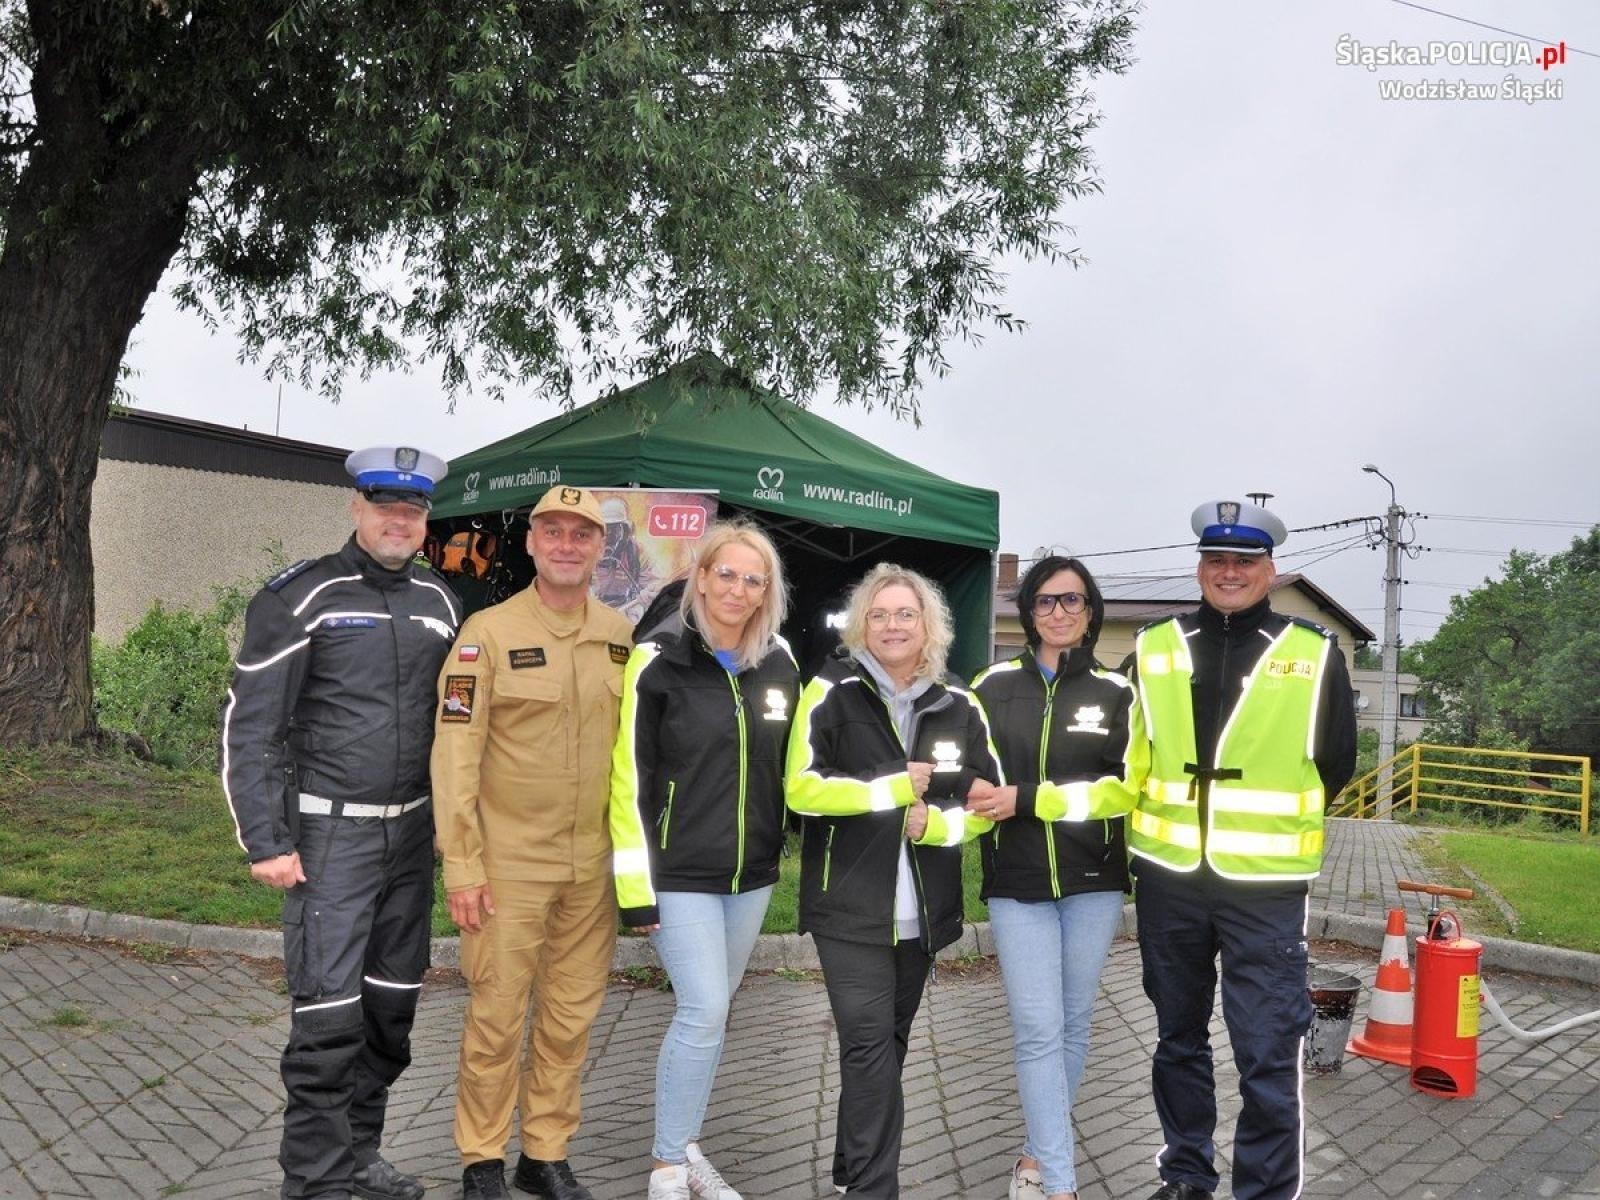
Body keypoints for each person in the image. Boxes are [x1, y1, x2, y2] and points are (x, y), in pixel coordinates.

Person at [222, 445, 458, 1200]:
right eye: (385, 504)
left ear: (425, 520)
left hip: (412, 840)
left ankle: (359, 1155)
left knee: (390, 1013)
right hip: (331, 842)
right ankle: (316, 1180)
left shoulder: (441, 603)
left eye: (413, 508)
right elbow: (250, 724)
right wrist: (266, 838)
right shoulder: (301, 596)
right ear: (356, 508)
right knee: (328, 1021)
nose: (399, 519)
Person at [1129, 500, 1357, 1200]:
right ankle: (1187, 1174)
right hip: (1170, 878)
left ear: (1271, 570)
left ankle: (1262, 1191)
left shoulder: (1313, 652)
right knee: (1178, 1039)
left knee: (1266, 1049)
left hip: (1265, 885)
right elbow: (1134, 753)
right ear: (1200, 567)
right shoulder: (1155, 645)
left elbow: (1336, 762)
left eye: (1244, 561)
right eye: (1217, 560)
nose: (1229, 572)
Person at [430, 484, 635, 1200]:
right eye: (554, 532)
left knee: (571, 1015)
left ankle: (544, 1151)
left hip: (593, 866)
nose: (567, 545)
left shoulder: (619, 636)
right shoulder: (486, 634)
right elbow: (455, 756)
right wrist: (462, 864)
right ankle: (481, 1158)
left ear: (600, 547)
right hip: (508, 863)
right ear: (532, 542)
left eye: (582, 534)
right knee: (496, 1013)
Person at [785, 563, 1002, 1198]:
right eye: (879, 615)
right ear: (862, 625)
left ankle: (853, 1164)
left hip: (922, 914)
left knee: (889, 1044)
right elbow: (799, 790)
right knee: (868, 1044)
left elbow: (986, 807)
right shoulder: (829, 690)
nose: (892, 625)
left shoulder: (960, 703)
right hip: (847, 906)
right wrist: (886, 790)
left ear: (927, 624)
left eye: (905, 613)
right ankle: (875, 1187)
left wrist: (934, 825)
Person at [608, 522, 801, 1200]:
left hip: (749, 876)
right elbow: (627, 779)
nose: (738, 589)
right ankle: (667, 1164)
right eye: (727, 574)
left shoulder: (780, 661)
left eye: (754, 579)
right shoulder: (657, 659)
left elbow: (794, 767)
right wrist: (634, 888)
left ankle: (687, 1148)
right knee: (704, 1007)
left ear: (766, 591)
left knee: (715, 1014)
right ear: (701, 577)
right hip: (678, 871)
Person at [969, 556, 1148, 1200]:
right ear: (1028, 613)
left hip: (1094, 881)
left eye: (1072, 601)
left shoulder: (1117, 693)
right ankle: (1062, 1183)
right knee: (1039, 1026)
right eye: (1046, 602)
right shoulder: (988, 687)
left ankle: (1036, 1158)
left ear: (1091, 610)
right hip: (1017, 883)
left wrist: (1031, 799)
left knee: (1073, 1023)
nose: (1060, 613)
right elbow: (968, 772)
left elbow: (1124, 789)